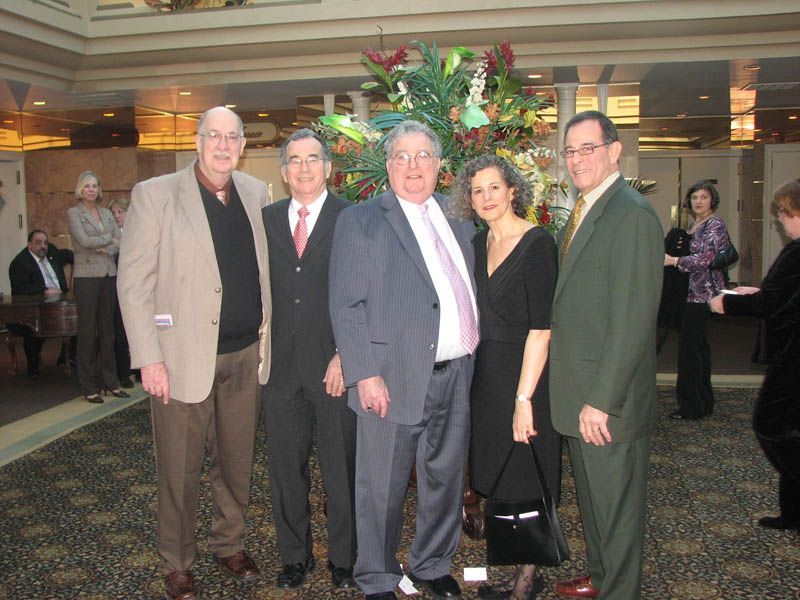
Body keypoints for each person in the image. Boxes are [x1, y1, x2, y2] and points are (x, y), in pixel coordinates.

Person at [117, 106, 272, 600]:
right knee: (179, 472)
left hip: (245, 355)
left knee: (236, 462)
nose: (223, 145)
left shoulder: (255, 193)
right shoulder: (156, 195)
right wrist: (149, 358)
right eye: (214, 136)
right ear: (197, 140)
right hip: (180, 360)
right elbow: (133, 284)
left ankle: (230, 543)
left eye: (232, 137)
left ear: (243, 145)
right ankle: (177, 561)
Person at [329, 120, 478, 600]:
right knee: (380, 488)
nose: (413, 167)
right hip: (388, 379)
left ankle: (432, 565)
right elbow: (346, 305)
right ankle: (375, 576)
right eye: (402, 157)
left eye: (423, 157)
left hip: (455, 374)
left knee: (445, 478)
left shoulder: (460, 221)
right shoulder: (361, 220)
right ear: (388, 166)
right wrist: (364, 374)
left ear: (438, 166)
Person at [549, 110, 662, 599]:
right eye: (570, 150)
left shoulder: (631, 214)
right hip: (579, 391)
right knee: (594, 505)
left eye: (587, 148)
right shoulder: (586, 209)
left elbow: (633, 321)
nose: (576, 160)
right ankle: (600, 576)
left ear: (615, 151)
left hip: (605, 400)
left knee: (616, 512)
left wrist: (601, 399)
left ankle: (619, 590)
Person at [450, 155, 559, 600]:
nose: (486, 198)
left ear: (513, 190)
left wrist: (523, 399)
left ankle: (526, 582)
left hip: (525, 380)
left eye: (494, 187)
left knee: (528, 478)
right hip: (486, 381)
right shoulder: (477, 245)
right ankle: (511, 568)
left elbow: (542, 329)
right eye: (477, 190)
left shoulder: (537, 244)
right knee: (496, 475)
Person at [261, 129, 356, 590]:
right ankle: (294, 557)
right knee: (285, 469)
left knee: (341, 467)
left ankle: (344, 558)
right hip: (279, 369)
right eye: (294, 161)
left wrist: (346, 354)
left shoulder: (352, 219)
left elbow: (365, 294)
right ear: (283, 172)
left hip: (334, 367)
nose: (303, 168)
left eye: (312, 159)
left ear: (328, 167)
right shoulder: (267, 220)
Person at [709, 178, 800, 534]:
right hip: (792, 352)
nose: (779, 219)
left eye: (783, 212)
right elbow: (785, 295)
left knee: (772, 427)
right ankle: (793, 514)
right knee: (791, 431)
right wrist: (757, 290)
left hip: (793, 356)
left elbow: (773, 303)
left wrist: (727, 302)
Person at [664, 180, 731, 420]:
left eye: (703, 197)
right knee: (697, 349)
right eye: (694, 198)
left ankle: (692, 406)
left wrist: (674, 261)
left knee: (691, 351)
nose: (698, 201)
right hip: (690, 294)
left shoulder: (714, 224)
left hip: (701, 295)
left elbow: (706, 258)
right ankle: (702, 402)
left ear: (712, 200)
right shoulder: (696, 224)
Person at [67, 170, 127, 403]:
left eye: (94, 185)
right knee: (88, 332)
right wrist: (108, 241)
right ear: (80, 190)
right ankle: (89, 385)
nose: (91, 189)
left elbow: (120, 241)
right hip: (86, 277)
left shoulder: (106, 213)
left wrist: (108, 245)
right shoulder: (74, 213)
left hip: (109, 273)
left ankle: (111, 382)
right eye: (87, 186)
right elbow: (83, 241)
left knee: (108, 330)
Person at [7, 229, 70, 377]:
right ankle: (33, 368)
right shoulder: (20, 263)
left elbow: (67, 255)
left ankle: (67, 358)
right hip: (33, 310)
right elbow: (20, 289)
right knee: (34, 327)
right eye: (38, 243)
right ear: (29, 245)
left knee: (80, 319)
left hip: (61, 303)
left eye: (45, 243)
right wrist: (44, 290)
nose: (43, 246)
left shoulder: (51, 251)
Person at [109, 198, 134, 388]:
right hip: (117, 287)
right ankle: (123, 373)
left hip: (137, 287)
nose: (117, 216)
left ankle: (140, 370)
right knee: (120, 330)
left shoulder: (138, 230)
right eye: (113, 213)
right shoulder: (110, 236)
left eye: (120, 212)